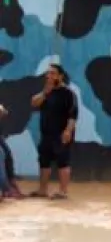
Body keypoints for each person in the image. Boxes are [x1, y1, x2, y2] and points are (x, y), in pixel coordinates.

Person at [29, 63, 78, 200]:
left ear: (60, 76)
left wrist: (68, 131)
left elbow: (73, 115)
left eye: (52, 73)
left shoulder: (68, 93)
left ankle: (63, 191)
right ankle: (42, 190)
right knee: (44, 162)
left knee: (63, 162)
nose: (49, 76)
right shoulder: (46, 92)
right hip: (46, 134)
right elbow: (34, 103)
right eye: (48, 73)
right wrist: (45, 92)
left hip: (61, 134)